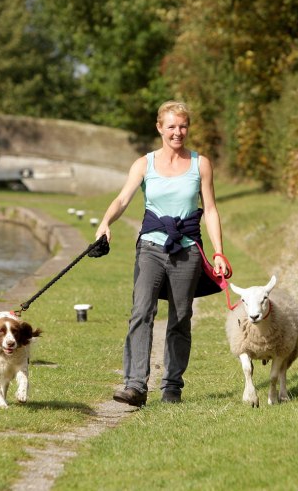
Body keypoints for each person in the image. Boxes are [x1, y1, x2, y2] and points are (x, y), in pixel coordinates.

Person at [95, 100, 228, 406]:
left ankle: (171, 387)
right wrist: (105, 222)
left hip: (187, 250)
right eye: (171, 126)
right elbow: (122, 199)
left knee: (180, 318)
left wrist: (219, 253)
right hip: (151, 248)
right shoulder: (144, 164)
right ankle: (135, 385)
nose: (177, 132)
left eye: (182, 126)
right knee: (142, 311)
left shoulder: (200, 164)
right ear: (159, 128)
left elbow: (210, 209)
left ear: (188, 128)